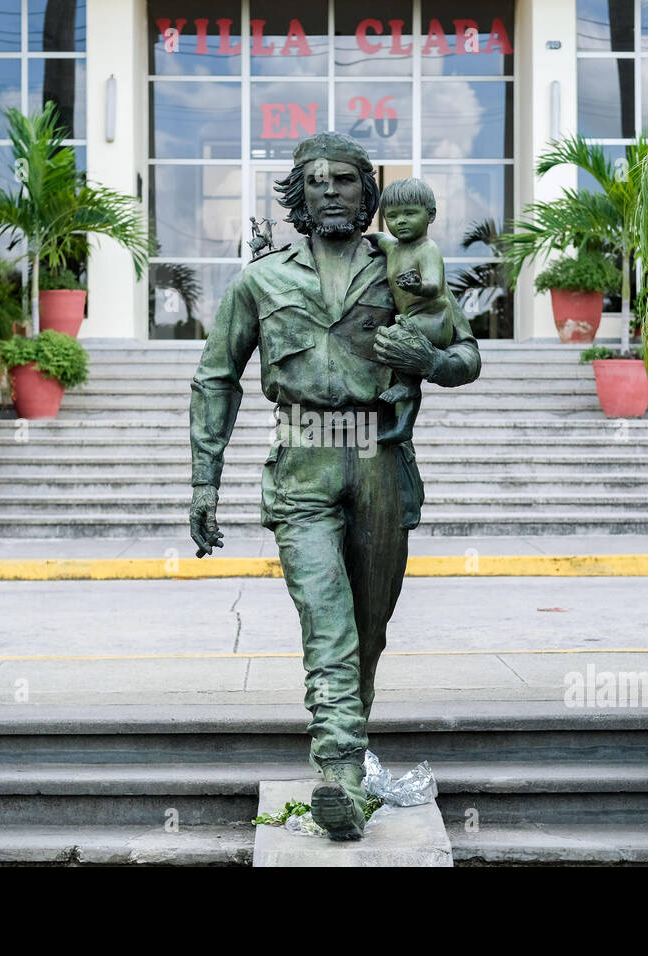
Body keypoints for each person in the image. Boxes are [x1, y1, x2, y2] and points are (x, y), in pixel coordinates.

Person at [188, 131, 481, 840]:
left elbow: (466, 355)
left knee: (369, 630)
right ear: (297, 195)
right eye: (315, 182)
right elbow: (215, 377)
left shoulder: (407, 268)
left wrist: (429, 359)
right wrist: (205, 480)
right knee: (329, 622)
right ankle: (340, 773)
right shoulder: (261, 281)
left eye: (345, 180)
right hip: (304, 462)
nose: (330, 191)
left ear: (367, 193)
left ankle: (352, 749)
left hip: (381, 458)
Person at [371, 177, 454, 445]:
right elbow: (375, 238)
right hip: (412, 320)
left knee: (395, 343)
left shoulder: (426, 249)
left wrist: (419, 286)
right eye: (392, 216)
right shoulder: (391, 246)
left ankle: (407, 387)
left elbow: (434, 287)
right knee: (396, 353)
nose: (400, 221)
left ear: (430, 215)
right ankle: (403, 427)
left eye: (410, 213)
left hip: (434, 319)